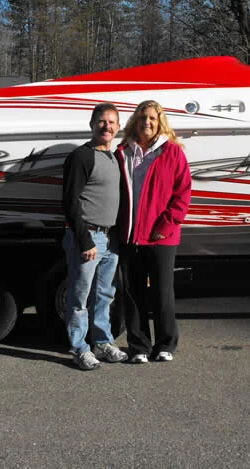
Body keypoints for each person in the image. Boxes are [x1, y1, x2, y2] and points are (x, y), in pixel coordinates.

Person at [116, 100, 192, 364]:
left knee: (162, 293)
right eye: (141, 118)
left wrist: (166, 226)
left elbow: (183, 194)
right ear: (134, 122)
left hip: (161, 237)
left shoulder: (172, 152)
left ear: (160, 122)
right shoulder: (123, 152)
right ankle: (139, 346)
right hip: (130, 236)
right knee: (133, 294)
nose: (146, 122)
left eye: (151, 118)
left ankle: (165, 344)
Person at [62, 102, 129, 370]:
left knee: (105, 295)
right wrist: (84, 240)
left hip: (110, 239)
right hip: (88, 237)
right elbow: (70, 203)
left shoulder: (114, 158)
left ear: (118, 127)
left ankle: (102, 342)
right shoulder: (82, 156)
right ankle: (79, 348)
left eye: (112, 122)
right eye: (102, 121)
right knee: (79, 297)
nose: (106, 126)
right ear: (92, 125)